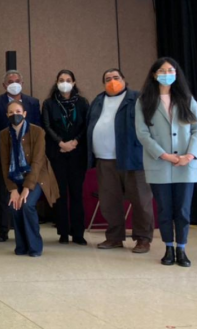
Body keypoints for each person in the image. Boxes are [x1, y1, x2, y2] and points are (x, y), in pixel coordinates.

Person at [135, 58, 197, 267]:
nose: (168, 73)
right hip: (160, 164)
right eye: (163, 70)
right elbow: (143, 133)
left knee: (182, 210)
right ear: (155, 75)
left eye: (171, 69)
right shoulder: (144, 101)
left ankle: (182, 249)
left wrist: (189, 155)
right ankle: (168, 248)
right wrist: (165, 155)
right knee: (164, 210)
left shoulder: (187, 99)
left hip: (186, 164)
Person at [87, 68, 155, 254]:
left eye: (116, 77)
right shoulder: (98, 101)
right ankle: (115, 237)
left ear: (124, 79)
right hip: (105, 159)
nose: (112, 81)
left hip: (133, 158)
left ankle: (142, 238)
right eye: (107, 78)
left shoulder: (137, 98)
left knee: (141, 199)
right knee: (109, 201)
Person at [0, 100, 59, 257]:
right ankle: (21, 246)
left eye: (18, 112)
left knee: (27, 204)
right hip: (15, 177)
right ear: (7, 115)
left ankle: (35, 247)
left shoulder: (37, 132)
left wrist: (26, 188)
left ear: (24, 114)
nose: (15, 115)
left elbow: (38, 161)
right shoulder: (4, 134)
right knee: (15, 206)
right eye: (11, 112)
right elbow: (5, 164)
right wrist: (12, 189)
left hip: (38, 176)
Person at [0, 70, 41, 242]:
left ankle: (27, 230)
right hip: (5, 155)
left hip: (28, 158)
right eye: (10, 81)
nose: (14, 83)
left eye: (17, 80)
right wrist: (8, 141)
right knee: (6, 192)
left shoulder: (33, 102)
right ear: (4, 85)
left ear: (22, 83)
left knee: (27, 194)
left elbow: (37, 128)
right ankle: (3, 229)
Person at [41, 70, 90, 245]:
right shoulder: (48, 103)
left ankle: (78, 233)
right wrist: (61, 143)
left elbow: (86, 125)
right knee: (60, 194)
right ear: (56, 82)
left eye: (68, 80)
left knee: (76, 193)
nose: (64, 83)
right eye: (61, 80)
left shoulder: (83, 103)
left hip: (77, 154)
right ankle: (62, 232)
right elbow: (46, 126)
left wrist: (75, 142)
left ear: (74, 83)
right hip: (57, 153)